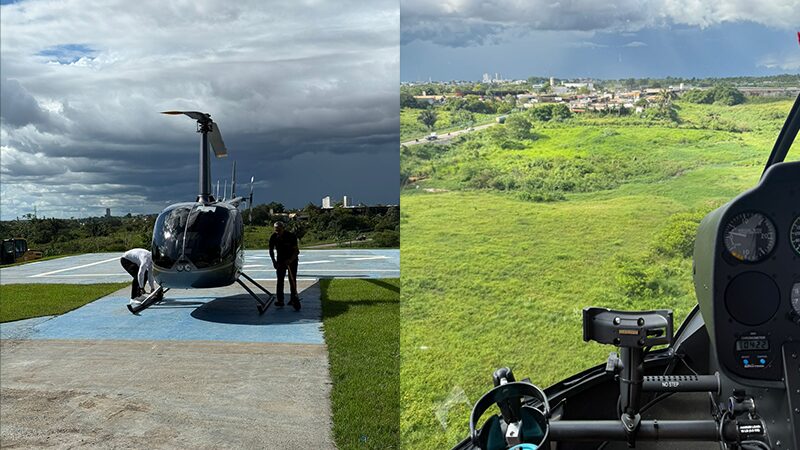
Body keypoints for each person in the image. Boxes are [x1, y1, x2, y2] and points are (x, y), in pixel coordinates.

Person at [268, 221, 300, 307]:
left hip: (292, 260)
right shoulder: (273, 237)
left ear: (283, 228)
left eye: (279, 230)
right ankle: (280, 300)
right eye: (276, 230)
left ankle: (293, 299)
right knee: (280, 280)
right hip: (280, 261)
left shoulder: (291, 236)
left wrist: (290, 260)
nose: (277, 232)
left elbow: (297, 251)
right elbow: (271, 251)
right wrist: (274, 261)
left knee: (292, 279)